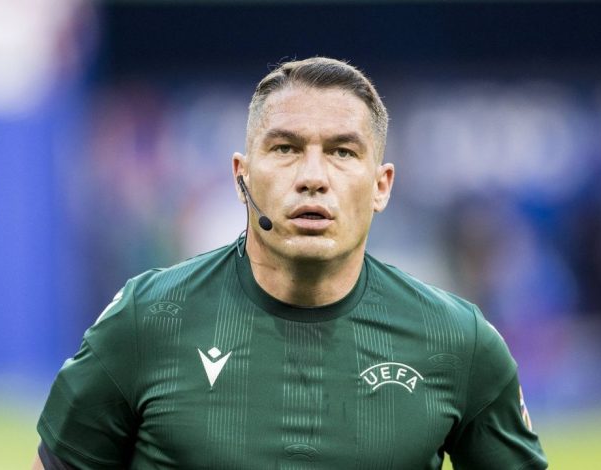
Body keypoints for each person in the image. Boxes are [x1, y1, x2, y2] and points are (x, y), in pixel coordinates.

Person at [33, 57, 547, 469]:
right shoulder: (147, 319)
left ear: (381, 185)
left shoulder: (457, 341)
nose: (313, 177)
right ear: (242, 177)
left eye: (342, 152)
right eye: (285, 148)